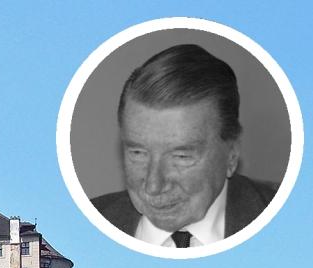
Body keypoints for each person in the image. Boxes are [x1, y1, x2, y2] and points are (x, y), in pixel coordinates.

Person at [91, 44, 276, 248]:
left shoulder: (290, 220)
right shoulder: (84, 224)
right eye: (138, 153)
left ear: (231, 155)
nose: (154, 186)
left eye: (181, 157)